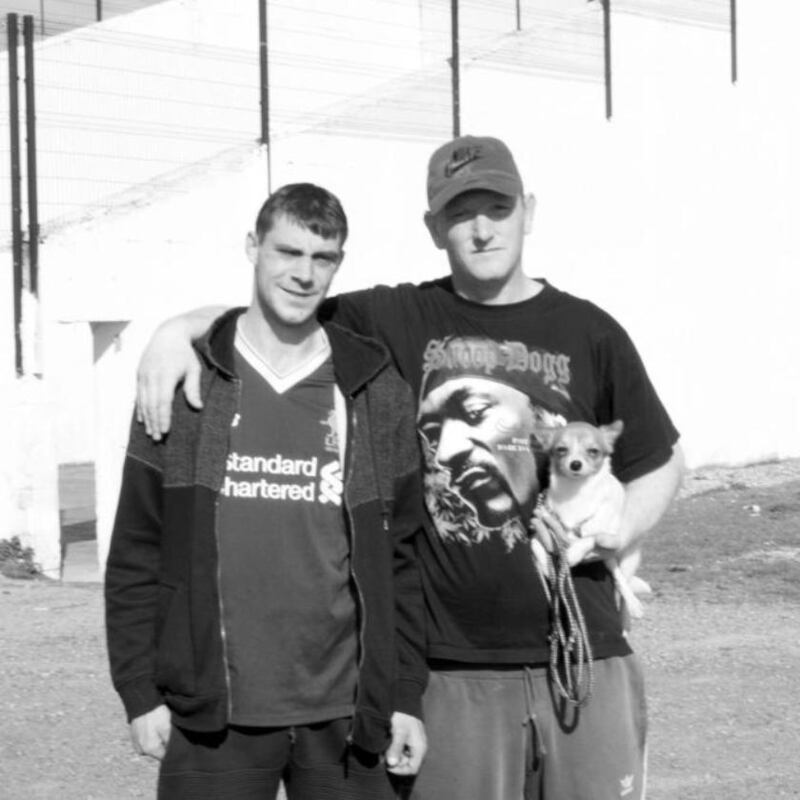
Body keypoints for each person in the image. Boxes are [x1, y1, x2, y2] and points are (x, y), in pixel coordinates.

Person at [135, 137, 685, 800]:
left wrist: (615, 535)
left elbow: (662, 459)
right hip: (451, 671)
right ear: (434, 228)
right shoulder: (394, 316)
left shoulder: (591, 331)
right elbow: (280, 311)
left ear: (528, 211)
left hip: (582, 652)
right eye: (461, 213)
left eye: (498, 207)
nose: (482, 229)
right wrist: (176, 329)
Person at [105, 183, 428, 800]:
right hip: (214, 712)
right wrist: (140, 691)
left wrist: (405, 696)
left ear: (338, 264)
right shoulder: (187, 384)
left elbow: (404, 560)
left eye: (322, 258)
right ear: (253, 247)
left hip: (345, 713)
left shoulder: (375, 388)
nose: (304, 275)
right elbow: (136, 553)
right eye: (288, 252)